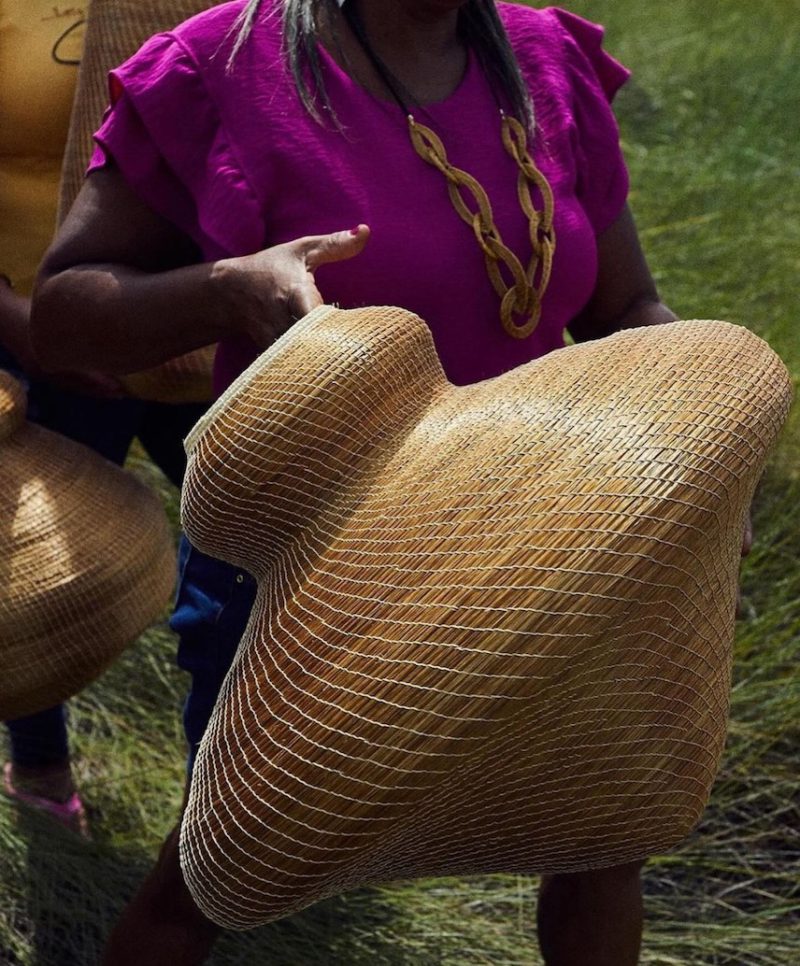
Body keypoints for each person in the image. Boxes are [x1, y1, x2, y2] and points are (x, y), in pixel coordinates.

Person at [31, 0, 681, 961]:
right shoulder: (219, 65)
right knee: (217, 871)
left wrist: (696, 419)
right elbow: (64, 315)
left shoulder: (544, 54)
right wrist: (225, 290)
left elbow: (626, 302)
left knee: (599, 843)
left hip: (546, 542)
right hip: (311, 563)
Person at [0, 0, 206, 834]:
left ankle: (240, 795)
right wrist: (22, 326)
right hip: (34, 335)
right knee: (29, 567)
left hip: (204, 334)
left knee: (268, 566)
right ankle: (42, 771)